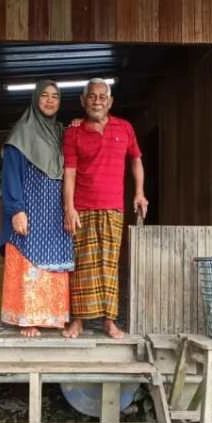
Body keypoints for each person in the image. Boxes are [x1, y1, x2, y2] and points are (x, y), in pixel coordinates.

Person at [62, 79, 148, 339]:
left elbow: (136, 161)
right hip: (83, 208)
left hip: (113, 208)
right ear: (83, 101)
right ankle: (78, 321)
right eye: (92, 96)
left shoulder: (125, 128)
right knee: (81, 267)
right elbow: (69, 173)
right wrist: (69, 208)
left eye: (102, 97)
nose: (97, 101)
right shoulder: (73, 133)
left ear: (110, 102)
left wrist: (139, 193)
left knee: (109, 267)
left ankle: (109, 322)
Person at [0, 80, 73, 337]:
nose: (50, 101)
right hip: (29, 207)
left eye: (55, 97)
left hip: (54, 209)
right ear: (34, 99)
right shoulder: (22, 132)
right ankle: (27, 318)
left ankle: (53, 315)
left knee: (54, 259)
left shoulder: (61, 133)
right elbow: (10, 175)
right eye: (44, 96)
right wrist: (16, 209)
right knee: (27, 257)